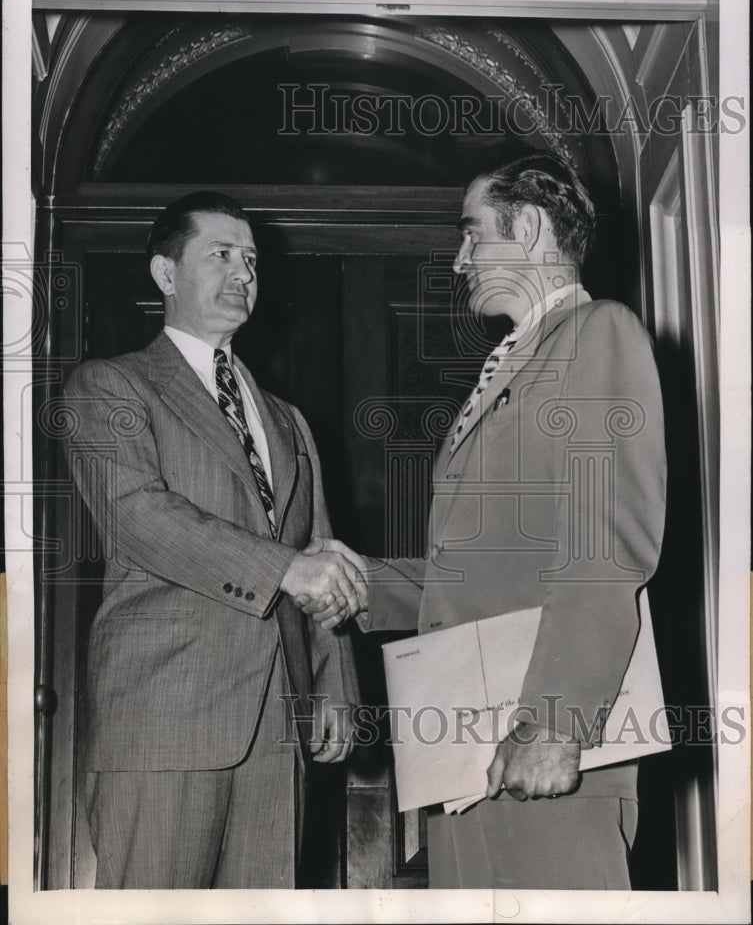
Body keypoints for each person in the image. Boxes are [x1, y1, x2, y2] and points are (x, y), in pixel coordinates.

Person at [300, 152, 667, 889]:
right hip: (468, 751)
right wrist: (359, 583)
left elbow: (605, 549)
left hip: (541, 741)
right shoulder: (514, 360)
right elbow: (481, 570)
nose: (459, 257)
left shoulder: (597, 333)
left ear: (528, 227)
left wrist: (555, 724)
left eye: (472, 234)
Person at [62, 192, 363, 889]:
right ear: (165, 275)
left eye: (251, 261)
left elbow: (319, 551)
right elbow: (141, 517)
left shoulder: (287, 420)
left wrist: (335, 684)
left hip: (277, 721)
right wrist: (285, 568)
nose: (242, 274)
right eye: (220, 255)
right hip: (165, 711)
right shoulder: (110, 387)